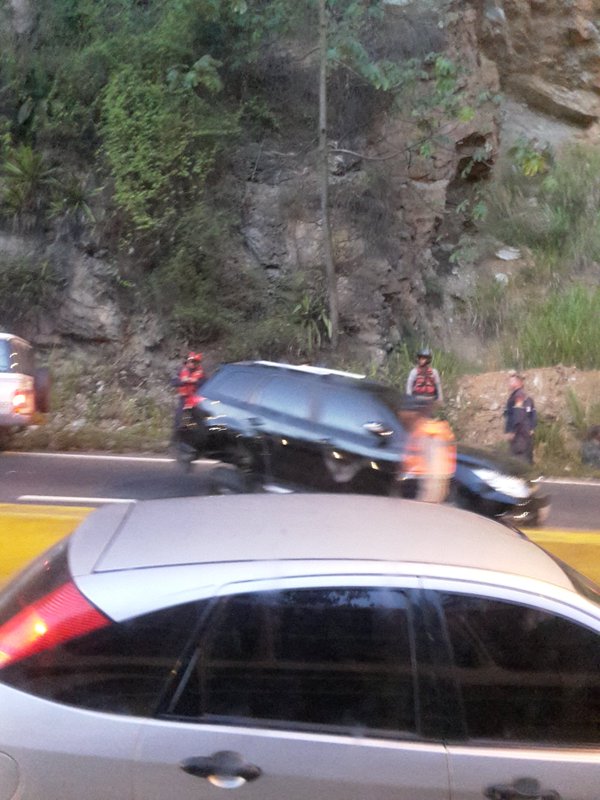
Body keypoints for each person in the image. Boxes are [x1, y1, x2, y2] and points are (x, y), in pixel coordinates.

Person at [395, 395, 456, 503]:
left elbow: (436, 477)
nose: (401, 416)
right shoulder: (416, 431)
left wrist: (426, 504)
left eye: (404, 412)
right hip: (413, 492)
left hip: (423, 495)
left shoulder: (430, 436)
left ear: (414, 413)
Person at [503, 370, 536, 464]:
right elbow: (533, 414)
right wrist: (532, 427)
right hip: (524, 433)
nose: (509, 383)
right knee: (525, 458)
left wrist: (512, 431)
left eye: (511, 381)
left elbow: (518, 414)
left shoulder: (518, 396)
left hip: (519, 435)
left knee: (519, 461)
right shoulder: (525, 396)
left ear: (518, 382)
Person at [172, 351, 205, 435]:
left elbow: (205, 385)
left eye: (196, 362)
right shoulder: (181, 371)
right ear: (188, 361)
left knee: (198, 421)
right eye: (192, 361)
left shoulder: (202, 373)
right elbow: (173, 382)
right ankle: (176, 436)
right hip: (183, 398)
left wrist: (194, 382)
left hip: (195, 400)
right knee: (178, 419)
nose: (193, 364)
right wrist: (183, 381)